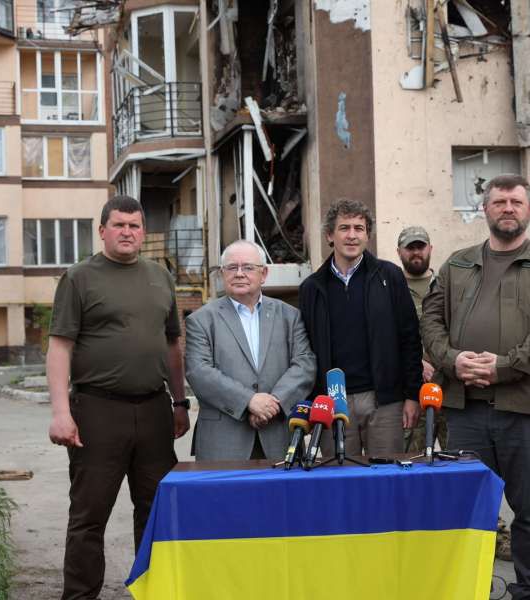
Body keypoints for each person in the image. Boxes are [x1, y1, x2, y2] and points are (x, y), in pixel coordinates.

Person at [422, 174, 530, 600]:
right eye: (498, 201)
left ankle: (528, 588)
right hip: (465, 408)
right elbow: (430, 321)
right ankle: (475, 585)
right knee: (472, 509)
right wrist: (453, 360)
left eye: (515, 201)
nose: (507, 208)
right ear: (484, 210)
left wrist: (503, 368)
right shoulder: (456, 264)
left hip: (525, 408)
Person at [46, 195, 190, 600]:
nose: (127, 231)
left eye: (135, 225)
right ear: (103, 230)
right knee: (90, 516)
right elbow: (59, 347)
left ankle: (155, 590)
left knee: (157, 512)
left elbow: (172, 345)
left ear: (144, 232)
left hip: (154, 409)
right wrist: (60, 412)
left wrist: (179, 403)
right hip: (97, 411)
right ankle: (80, 595)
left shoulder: (160, 277)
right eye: (119, 224)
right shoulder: (79, 277)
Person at [298, 198, 422, 458]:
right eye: (344, 228)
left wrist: (412, 395)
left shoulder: (390, 277)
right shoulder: (312, 288)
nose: (352, 235)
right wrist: (311, 402)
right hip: (333, 402)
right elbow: (307, 350)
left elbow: (410, 339)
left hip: (385, 400)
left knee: (386, 481)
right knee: (339, 484)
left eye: (359, 228)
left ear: (368, 236)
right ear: (330, 235)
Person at [184, 239, 316, 460]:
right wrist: (249, 402)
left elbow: (305, 364)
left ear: (263, 274)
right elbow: (199, 372)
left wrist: (273, 404)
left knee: (282, 496)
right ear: (222, 274)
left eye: (247, 267)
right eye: (231, 268)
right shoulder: (201, 320)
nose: (239, 273)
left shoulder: (290, 316)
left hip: (279, 436)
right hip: (223, 441)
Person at [396, 225, 448, 452]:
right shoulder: (391, 288)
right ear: (399, 252)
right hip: (411, 392)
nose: (416, 252)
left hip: (448, 389)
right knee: (411, 462)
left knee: (454, 462)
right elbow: (385, 336)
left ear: (430, 249)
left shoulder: (447, 286)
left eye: (421, 247)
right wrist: (416, 362)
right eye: (410, 248)